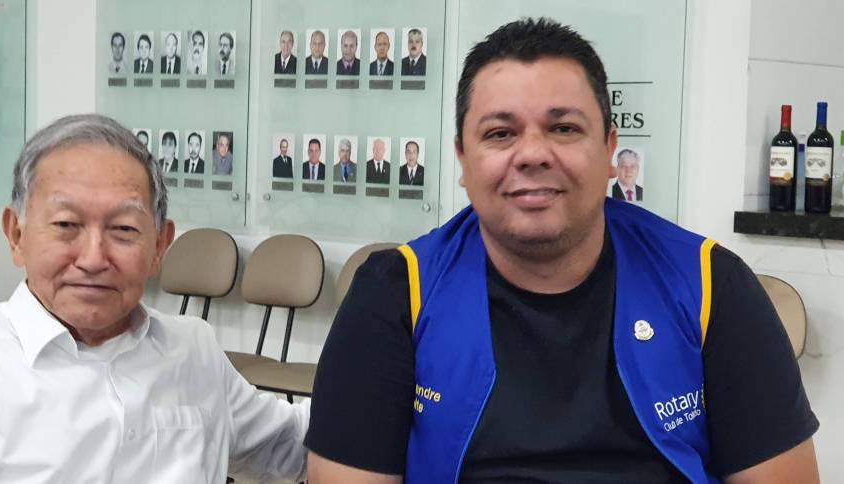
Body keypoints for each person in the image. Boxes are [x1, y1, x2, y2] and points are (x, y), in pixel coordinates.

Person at [306, 19, 820, 484]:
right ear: (463, 158)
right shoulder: (394, 296)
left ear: (609, 150)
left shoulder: (710, 284)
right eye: (500, 133)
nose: (532, 153)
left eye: (564, 128)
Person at [0, 113, 310, 483]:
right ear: (16, 235)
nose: (93, 258)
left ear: (160, 245)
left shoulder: (192, 351)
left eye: (124, 229)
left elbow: (291, 445)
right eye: (66, 225)